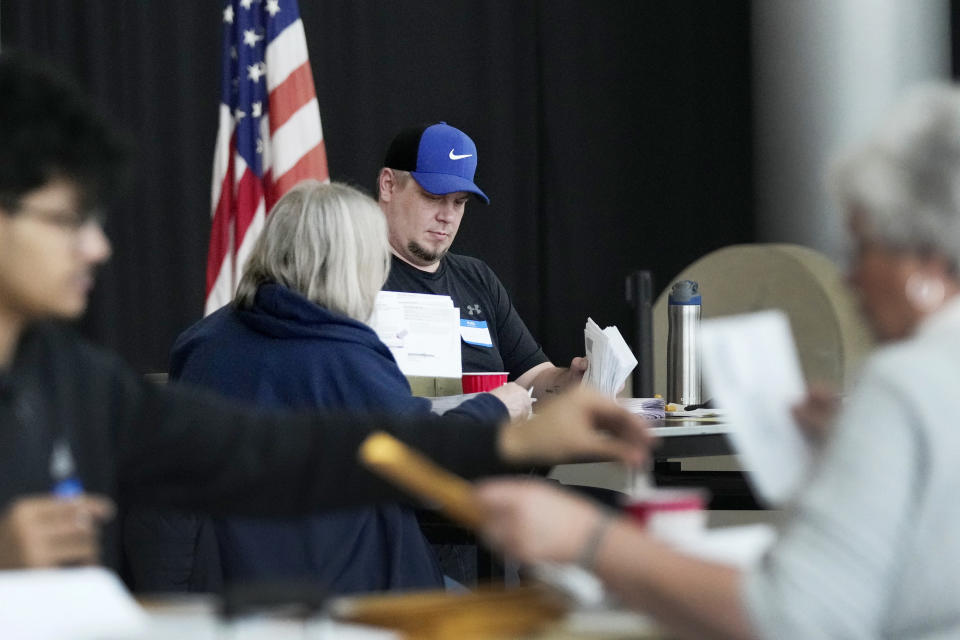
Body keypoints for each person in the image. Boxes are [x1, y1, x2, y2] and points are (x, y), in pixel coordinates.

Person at [0, 53, 653, 572]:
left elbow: (291, 448)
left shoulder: (76, 378)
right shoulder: (331, 342)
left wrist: (503, 434)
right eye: (65, 220)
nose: (97, 246)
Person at [476, 84, 960, 639]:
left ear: (923, 260)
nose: (848, 278)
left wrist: (589, 538)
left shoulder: (901, 385)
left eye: (862, 250)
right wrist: (855, 446)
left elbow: (791, 618)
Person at [124, 179, 531, 593]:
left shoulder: (199, 343)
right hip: (345, 596)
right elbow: (425, 472)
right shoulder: (347, 358)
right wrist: (497, 407)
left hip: (228, 592)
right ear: (353, 265)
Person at [377, 122, 587, 399]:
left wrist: (575, 381)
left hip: (480, 441)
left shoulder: (476, 278)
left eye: (459, 202)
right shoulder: (345, 276)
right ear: (389, 185)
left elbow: (533, 378)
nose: (447, 216)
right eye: (433, 197)